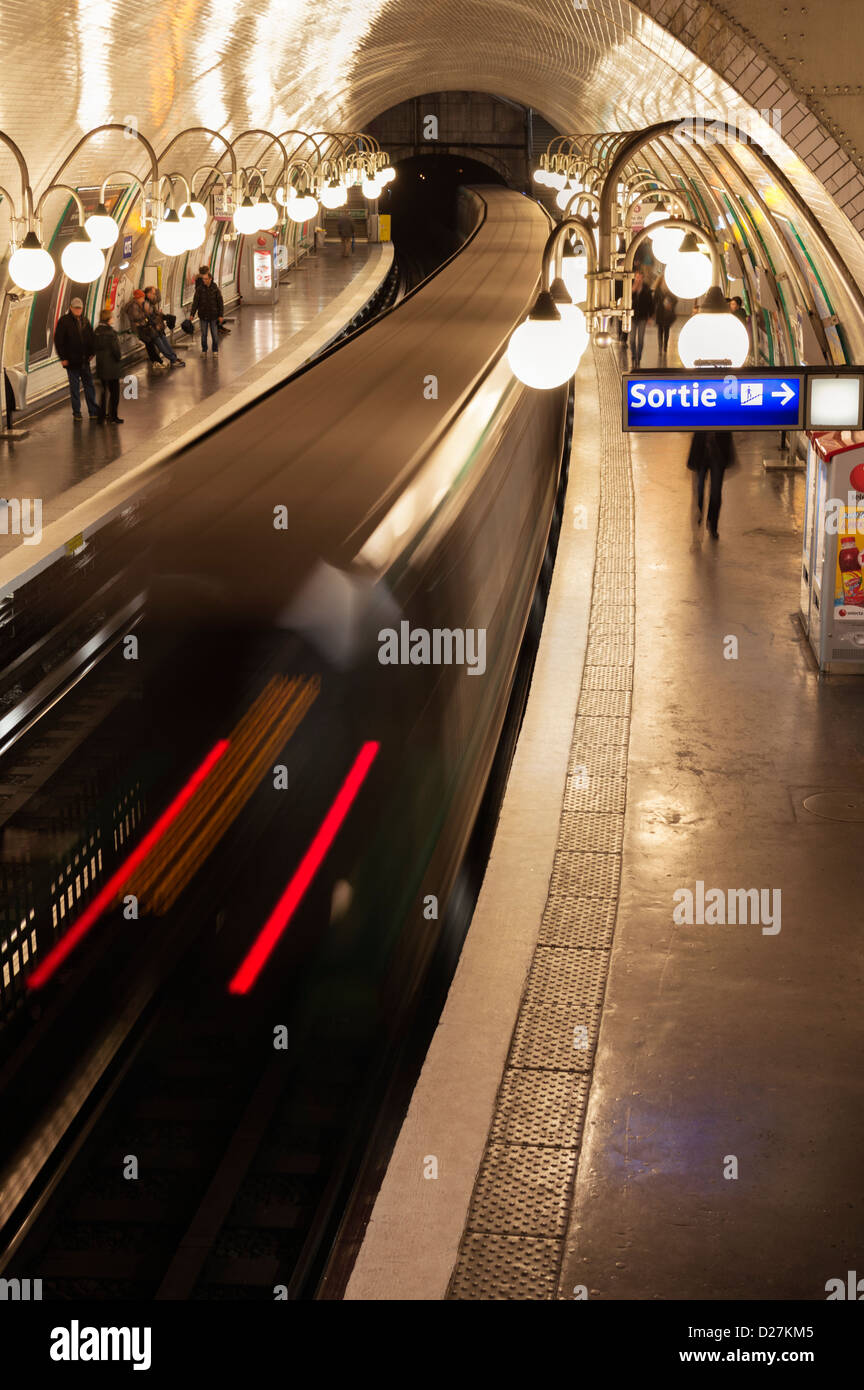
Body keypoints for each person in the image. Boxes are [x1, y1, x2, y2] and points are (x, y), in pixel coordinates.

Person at [54, 297, 99, 419]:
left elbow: (91, 338)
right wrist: (63, 358)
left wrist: (92, 353)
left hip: (84, 360)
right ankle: (77, 413)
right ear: (71, 308)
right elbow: (59, 341)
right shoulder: (64, 321)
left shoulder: (85, 321)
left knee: (89, 385)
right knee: (75, 388)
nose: (78, 310)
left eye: (80, 308)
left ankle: (93, 411)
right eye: (76, 308)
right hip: (72, 361)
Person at [687, 430, 736, 539]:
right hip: (701, 450)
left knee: (715, 492)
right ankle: (697, 527)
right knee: (699, 492)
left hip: (718, 451)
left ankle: (712, 524)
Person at [93, 309, 124, 423]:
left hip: (101, 366)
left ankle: (101, 418)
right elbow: (116, 351)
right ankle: (113, 417)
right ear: (108, 319)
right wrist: (119, 358)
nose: (113, 319)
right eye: (112, 317)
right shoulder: (111, 333)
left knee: (103, 393)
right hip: (112, 367)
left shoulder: (96, 331)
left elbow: (94, 347)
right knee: (114, 393)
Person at [143, 287, 185, 367]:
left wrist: (159, 315)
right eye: (153, 294)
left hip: (157, 327)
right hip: (152, 328)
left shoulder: (149, 302)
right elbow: (147, 317)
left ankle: (174, 357)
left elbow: (154, 313)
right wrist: (155, 324)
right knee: (161, 345)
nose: (154, 295)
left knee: (165, 342)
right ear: (148, 294)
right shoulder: (145, 304)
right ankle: (172, 360)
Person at [125, 289, 167, 368]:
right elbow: (136, 317)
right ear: (138, 298)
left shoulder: (138, 304)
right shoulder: (133, 306)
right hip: (139, 328)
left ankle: (156, 361)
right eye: (142, 298)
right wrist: (145, 313)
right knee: (149, 344)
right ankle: (157, 361)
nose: (143, 300)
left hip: (143, 327)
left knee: (150, 344)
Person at [191, 269, 224, 354]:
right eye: (203, 279)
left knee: (214, 334)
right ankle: (204, 350)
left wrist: (221, 315)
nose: (204, 281)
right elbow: (195, 302)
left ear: (210, 279)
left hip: (214, 315)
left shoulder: (215, 289)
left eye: (206, 279)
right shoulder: (199, 289)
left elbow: (220, 303)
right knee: (204, 334)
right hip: (203, 315)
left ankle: (215, 350)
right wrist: (192, 314)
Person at [630, 270, 654, 369]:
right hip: (632, 316)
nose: (638, 279)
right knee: (631, 340)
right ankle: (633, 355)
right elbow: (627, 300)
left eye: (640, 277)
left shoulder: (647, 288)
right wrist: (633, 290)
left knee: (640, 339)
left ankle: (638, 358)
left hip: (642, 317)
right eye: (637, 277)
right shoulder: (630, 287)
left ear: (642, 278)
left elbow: (651, 303)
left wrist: (650, 316)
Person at [654, 278, 678, 356]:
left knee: (667, 330)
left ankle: (665, 346)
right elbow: (654, 300)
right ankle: (660, 347)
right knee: (660, 331)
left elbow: (675, 300)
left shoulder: (671, 290)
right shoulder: (658, 290)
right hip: (660, 312)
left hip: (668, 313)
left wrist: (671, 305)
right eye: (663, 281)